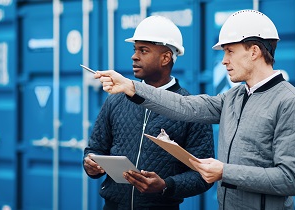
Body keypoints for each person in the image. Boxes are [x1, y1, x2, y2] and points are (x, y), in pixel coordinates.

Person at [94, 10, 295, 210]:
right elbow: (185, 106)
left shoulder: (291, 104)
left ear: (254, 51)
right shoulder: (234, 97)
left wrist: (224, 172)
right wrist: (131, 87)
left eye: (229, 51)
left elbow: (290, 179)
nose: (224, 61)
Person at [83, 15, 214, 210]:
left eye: (143, 50)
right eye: (135, 49)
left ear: (165, 57)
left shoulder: (191, 108)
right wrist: (91, 165)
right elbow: (94, 149)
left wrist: (165, 186)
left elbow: (203, 176)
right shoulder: (115, 100)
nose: (134, 56)